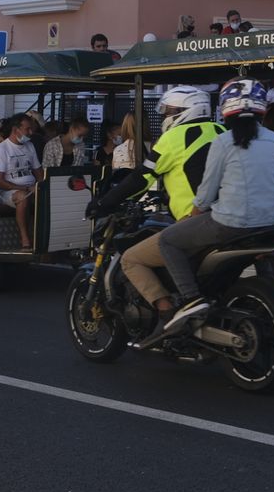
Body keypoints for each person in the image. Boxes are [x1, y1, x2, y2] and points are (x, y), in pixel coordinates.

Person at [155, 80, 274, 333]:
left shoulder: (224, 142)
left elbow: (206, 193)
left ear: (226, 108)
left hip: (232, 223)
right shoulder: (273, 139)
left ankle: (191, 299)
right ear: (262, 108)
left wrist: (192, 215)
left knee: (168, 241)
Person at [94, 87, 225, 326]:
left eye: (169, 112)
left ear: (184, 112)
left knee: (131, 258)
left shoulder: (174, 138)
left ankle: (168, 313)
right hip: (226, 217)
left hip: (194, 221)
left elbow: (141, 178)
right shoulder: (221, 130)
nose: (165, 117)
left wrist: (105, 202)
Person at [0, 114, 44, 248]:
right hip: (6, 192)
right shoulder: (1, 150)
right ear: (16, 130)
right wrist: (25, 189)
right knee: (22, 197)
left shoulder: (29, 145)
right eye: (28, 129)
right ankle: (25, 240)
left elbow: (38, 171)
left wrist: (42, 185)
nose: (31, 133)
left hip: (31, 188)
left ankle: (44, 238)